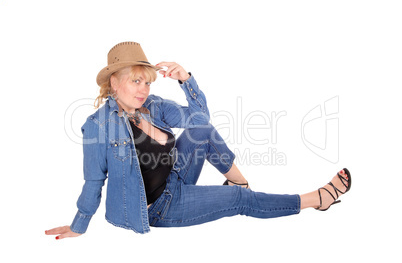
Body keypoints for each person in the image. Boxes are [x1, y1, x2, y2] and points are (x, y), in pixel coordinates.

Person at [45, 42, 352, 240]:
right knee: (239, 204)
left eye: (146, 81)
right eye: (134, 80)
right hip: (158, 206)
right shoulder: (98, 126)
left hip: (176, 176)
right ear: (114, 82)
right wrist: (78, 225)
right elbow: (93, 181)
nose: (142, 89)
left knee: (202, 133)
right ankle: (314, 200)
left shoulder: (153, 105)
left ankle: (240, 185)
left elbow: (200, 121)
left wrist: (186, 80)